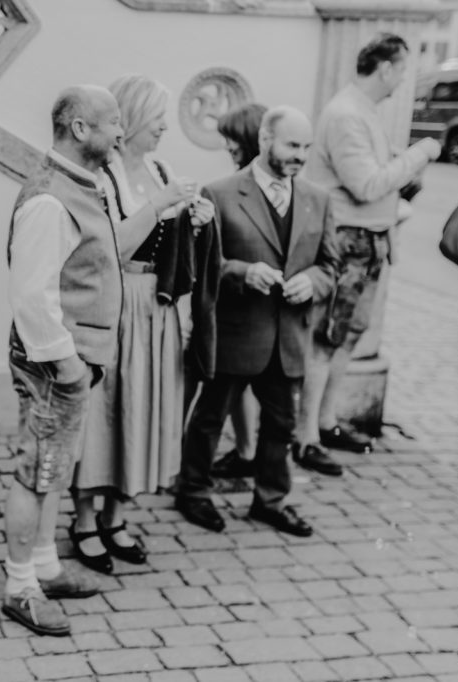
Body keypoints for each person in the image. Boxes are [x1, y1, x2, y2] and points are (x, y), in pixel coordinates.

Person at [70, 74, 211, 574]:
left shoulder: (160, 167)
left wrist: (192, 218)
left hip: (160, 305)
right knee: (106, 410)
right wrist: (162, 203)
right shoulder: (102, 178)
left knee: (144, 408)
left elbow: (170, 237)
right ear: (128, 123)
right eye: (158, 121)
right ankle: (85, 519)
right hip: (120, 301)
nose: (164, 132)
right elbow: (112, 248)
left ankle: (117, 514)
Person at [177, 106, 341, 537]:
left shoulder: (318, 200)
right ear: (265, 139)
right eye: (292, 144)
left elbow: (330, 266)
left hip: (288, 336)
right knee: (210, 417)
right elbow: (202, 265)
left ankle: (271, 501)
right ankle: (193, 491)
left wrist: (312, 282)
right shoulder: (221, 194)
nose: (300, 155)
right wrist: (241, 273)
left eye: (306, 147)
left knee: (281, 425)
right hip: (236, 332)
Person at [3, 85, 124, 635]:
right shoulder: (51, 198)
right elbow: (32, 296)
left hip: (69, 364)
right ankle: (20, 586)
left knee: (53, 470)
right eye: (113, 122)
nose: (120, 131)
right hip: (57, 367)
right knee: (37, 473)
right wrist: (67, 364)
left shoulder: (79, 186)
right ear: (80, 129)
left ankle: (46, 566)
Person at [298, 33, 441, 468]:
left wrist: (399, 162)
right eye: (402, 70)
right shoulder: (346, 114)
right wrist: (418, 155)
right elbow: (366, 185)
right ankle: (305, 437)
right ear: (385, 68)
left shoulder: (364, 112)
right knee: (328, 339)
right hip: (348, 241)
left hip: (369, 241)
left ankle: (326, 421)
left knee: (348, 337)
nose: (402, 81)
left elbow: (375, 174)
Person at [209, 102, 267, 481]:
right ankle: (246, 452)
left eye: (232, 138)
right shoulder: (227, 188)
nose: (228, 146)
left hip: (260, 306)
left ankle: (254, 453)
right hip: (233, 294)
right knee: (235, 390)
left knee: (249, 389)